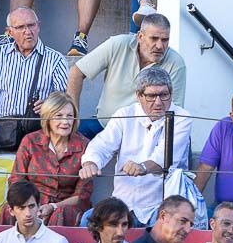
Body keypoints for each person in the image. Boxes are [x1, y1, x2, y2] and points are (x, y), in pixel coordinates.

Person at [0, 6, 69, 206]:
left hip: (38, 126)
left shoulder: (55, 59)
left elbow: (66, 99)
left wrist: (49, 105)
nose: (27, 31)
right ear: (9, 32)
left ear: (39, 26)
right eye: (20, 27)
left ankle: (46, 208)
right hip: (4, 124)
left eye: (31, 25)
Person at [81, 66, 192, 225]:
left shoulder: (182, 117)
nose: (159, 102)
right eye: (151, 96)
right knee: (87, 220)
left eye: (164, 95)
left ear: (171, 93)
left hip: (160, 207)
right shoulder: (125, 114)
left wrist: (142, 167)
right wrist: (90, 163)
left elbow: (166, 159)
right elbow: (102, 145)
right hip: (122, 204)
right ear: (138, 96)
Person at [69, 13, 186, 140]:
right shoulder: (118, 44)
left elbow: (173, 112)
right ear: (140, 36)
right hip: (104, 125)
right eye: (154, 38)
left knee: (181, 142)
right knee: (68, 135)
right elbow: (76, 72)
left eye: (165, 40)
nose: (159, 46)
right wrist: (72, 115)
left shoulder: (176, 63)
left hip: (145, 133)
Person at [0, 92, 91, 227]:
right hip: (31, 201)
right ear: (47, 118)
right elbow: (16, 180)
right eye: (59, 116)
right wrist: (32, 207)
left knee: (61, 213)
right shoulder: (30, 141)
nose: (65, 122)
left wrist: (52, 206)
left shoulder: (84, 146)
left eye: (70, 116)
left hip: (64, 205)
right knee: (10, 209)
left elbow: (82, 195)